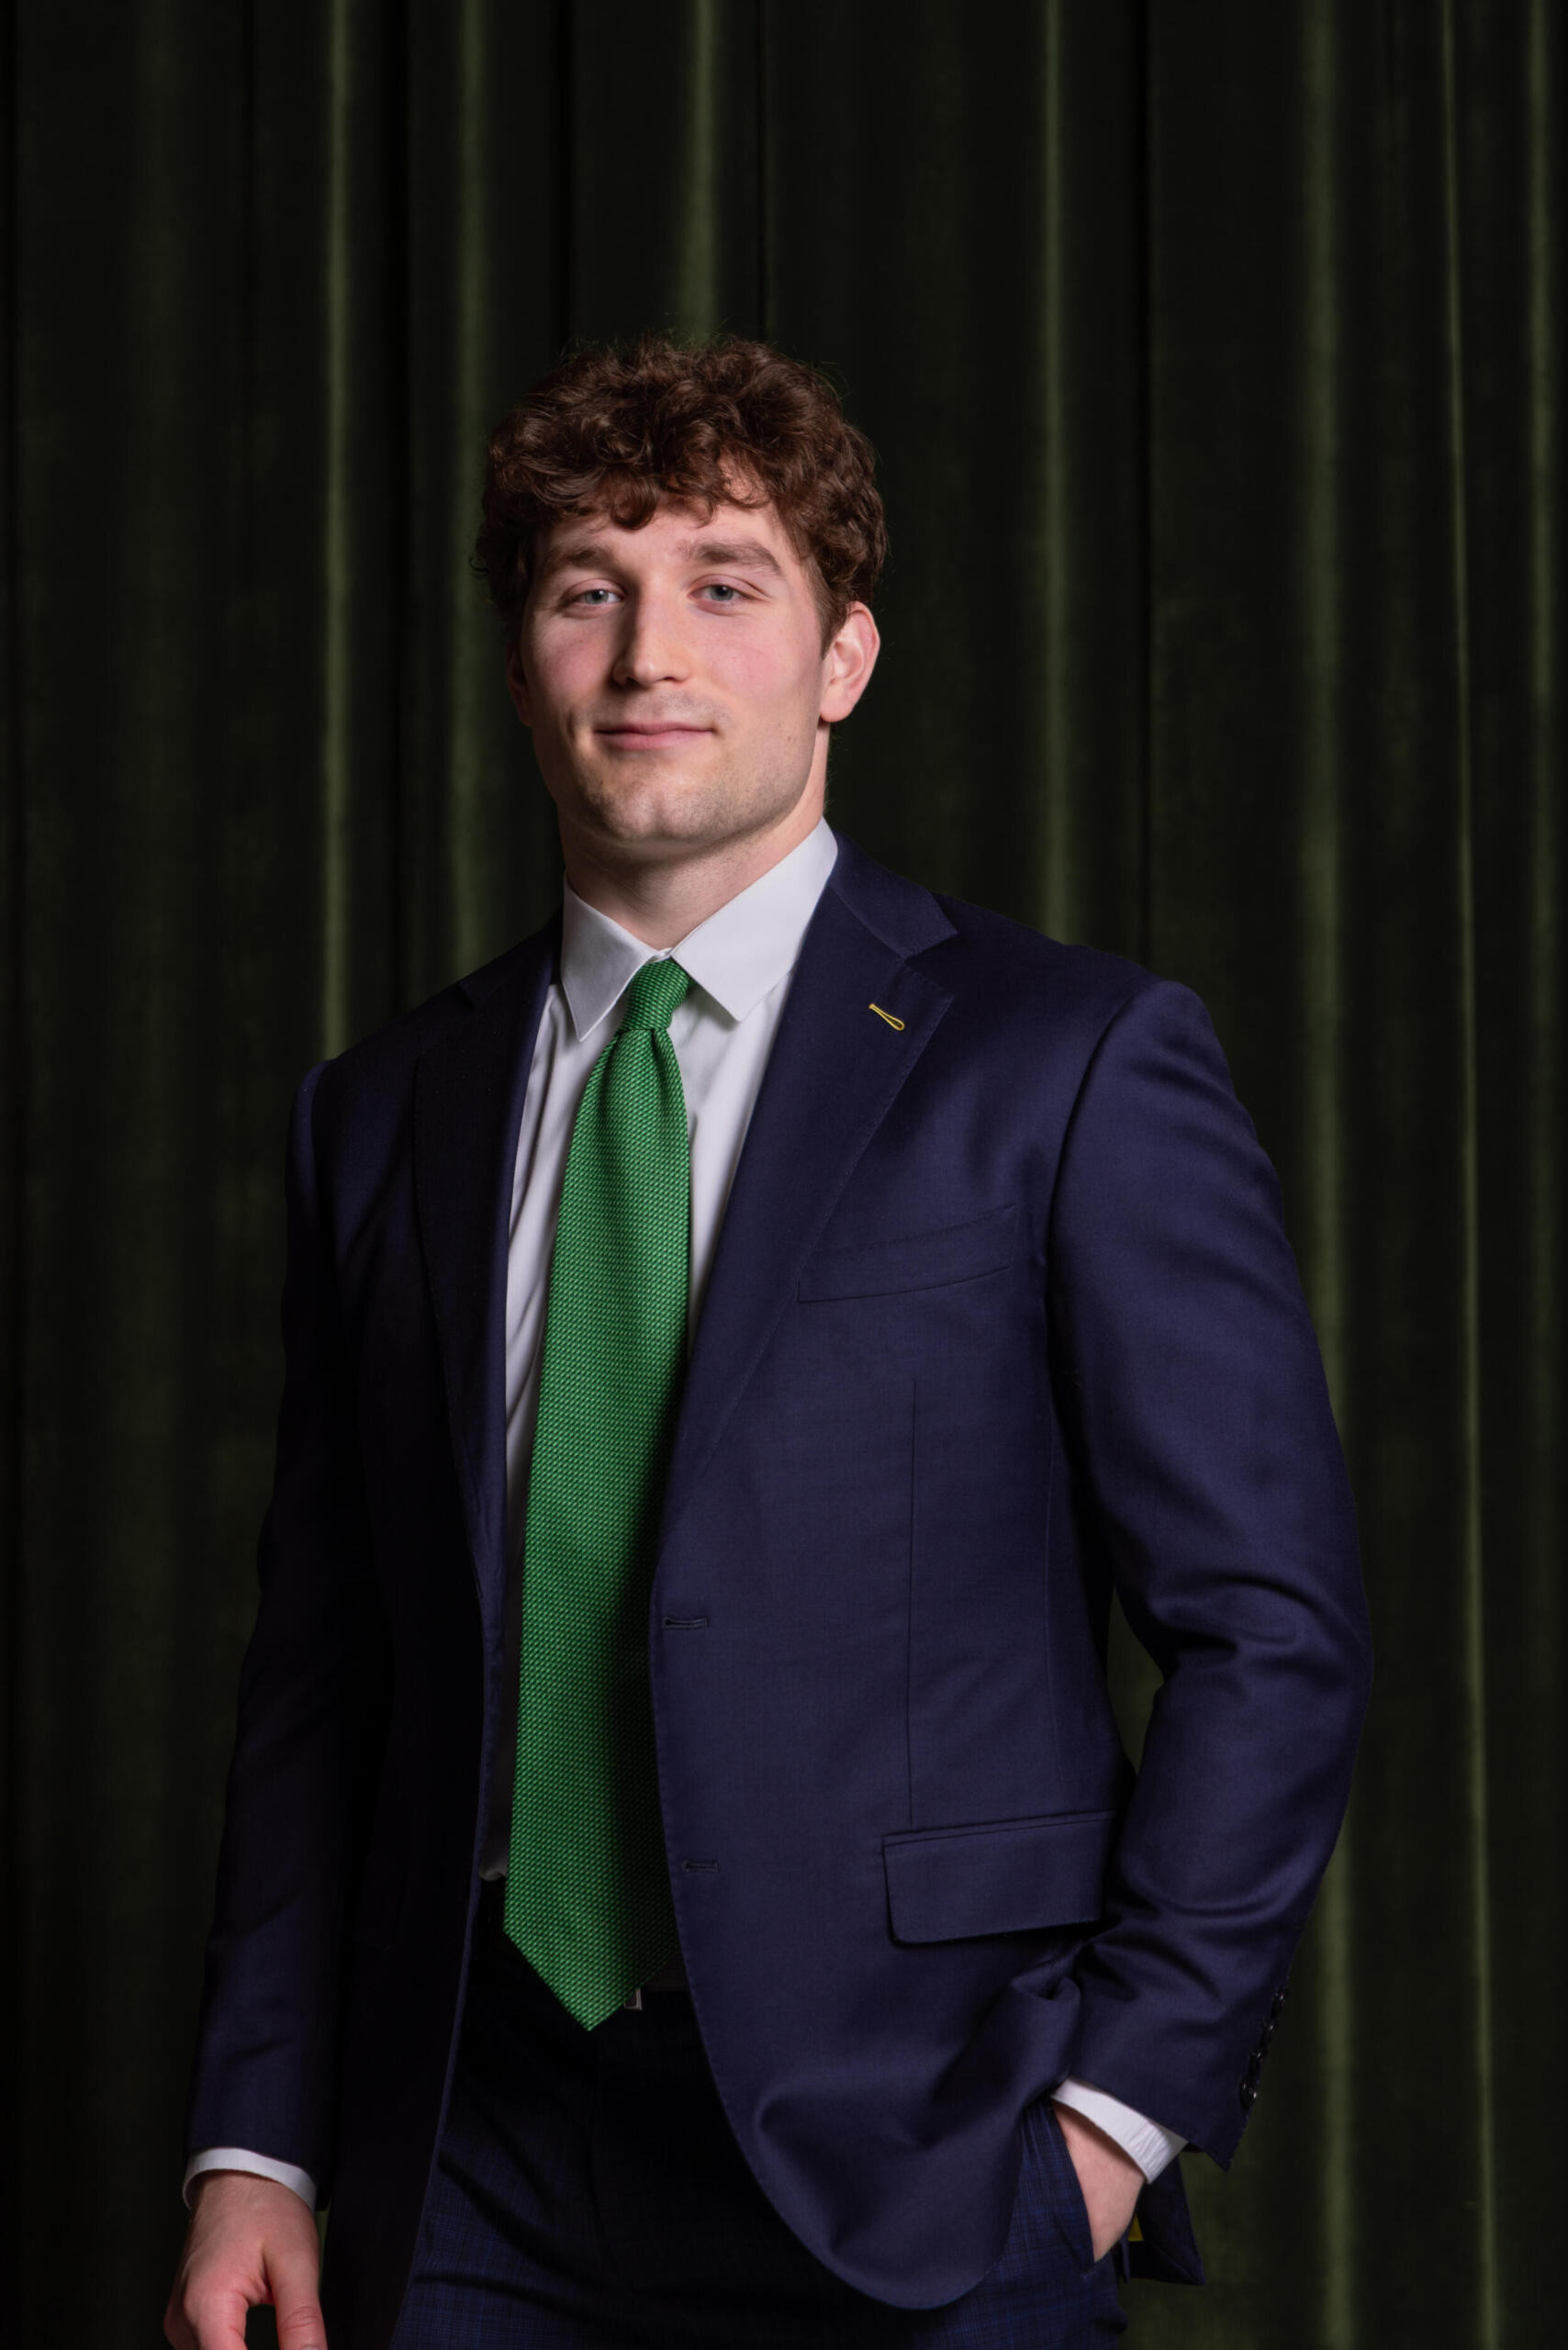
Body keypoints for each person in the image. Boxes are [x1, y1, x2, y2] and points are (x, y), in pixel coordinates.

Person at [164, 332, 1372, 2350]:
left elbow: (1272, 1626)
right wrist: (256, 2148)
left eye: (724, 584)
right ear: (521, 662)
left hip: (924, 2152)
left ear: (842, 659)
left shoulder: (1067, 1061)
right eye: (588, 589)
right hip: (469, 2156)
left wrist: (1110, 2115)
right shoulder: (378, 1117)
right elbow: (323, 1676)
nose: (650, 652)